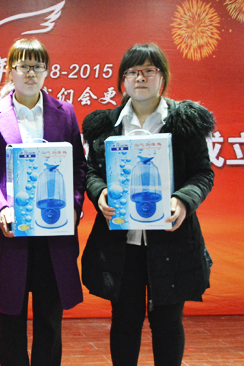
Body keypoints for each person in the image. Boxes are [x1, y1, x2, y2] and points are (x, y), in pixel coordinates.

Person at [81, 43, 215, 366]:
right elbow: (91, 172)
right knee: (124, 321)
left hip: (170, 240)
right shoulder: (105, 125)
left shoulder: (184, 121)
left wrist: (183, 201)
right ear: (122, 81)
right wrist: (99, 193)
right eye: (132, 72)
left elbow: (202, 173)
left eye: (148, 71)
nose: (140, 78)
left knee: (167, 323)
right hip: (121, 243)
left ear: (162, 77)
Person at [0, 38, 86, 366]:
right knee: (11, 320)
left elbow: (78, 167)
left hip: (54, 232)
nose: (30, 73)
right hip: (11, 232)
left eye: (37, 66)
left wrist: (74, 205)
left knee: (50, 320)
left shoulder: (65, 113)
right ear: (10, 70)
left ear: (47, 71)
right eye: (23, 65)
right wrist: (0, 208)